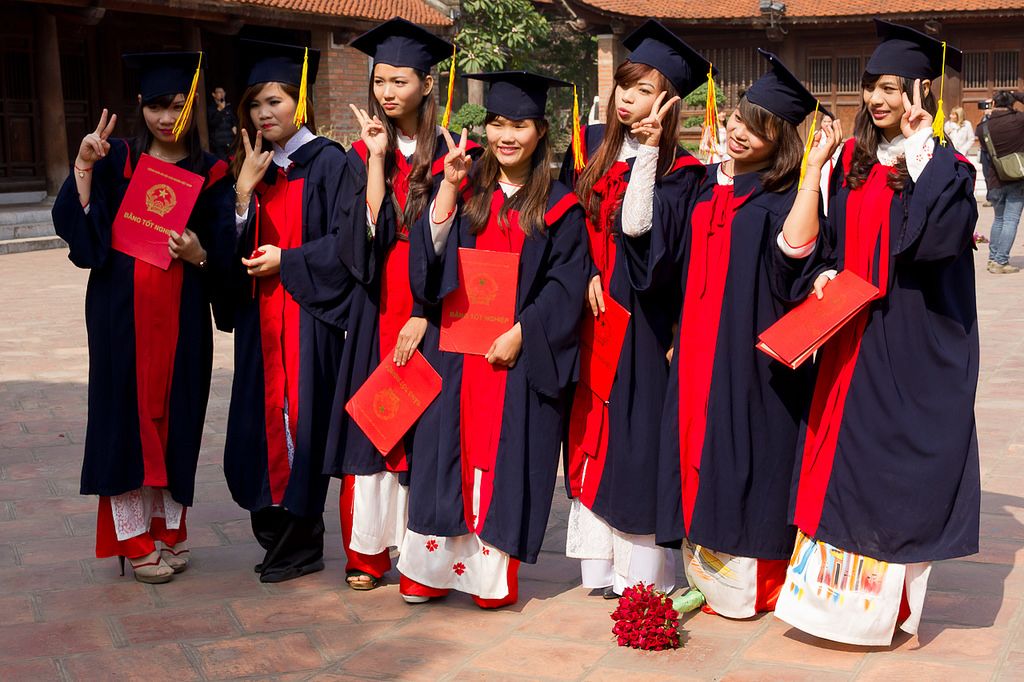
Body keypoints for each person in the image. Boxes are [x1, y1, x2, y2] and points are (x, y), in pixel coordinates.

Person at [775, 20, 980, 646]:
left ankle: (887, 610)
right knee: (847, 459)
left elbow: (937, 241)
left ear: (922, 92)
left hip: (914, 338)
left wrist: (923, 149)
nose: (880, 100)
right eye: (872, 87)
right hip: (852, 336)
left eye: (894, 88)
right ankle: (831, 610)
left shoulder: (949, 166)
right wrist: (825, 272)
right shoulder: (850, 164)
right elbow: (823, 247)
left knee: (898, 468)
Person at [632, 49, 838, 619]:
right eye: (737, 120)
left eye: (759, 127)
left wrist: (812, 173)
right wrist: (651, 149)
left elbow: (795, 254)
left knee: (747, 453)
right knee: (695, 448)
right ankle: (703, 577)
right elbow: (644, 234)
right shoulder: (700, 185)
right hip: (696, 345)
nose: (741, 132)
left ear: (780, 140)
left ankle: (752, 585)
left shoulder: (781, 196)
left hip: (751, 355)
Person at [398, 71, 589, 608]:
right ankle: (429, 571)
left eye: (519, 126)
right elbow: (429, 263)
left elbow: (564, 284)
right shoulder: (465, 186)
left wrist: (523, 333)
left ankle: (488, 577)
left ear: (541, 131)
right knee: (443, 455)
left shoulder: (558, 206)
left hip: (515, 358)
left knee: (504, 457)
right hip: (455, 351)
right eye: (498, 124)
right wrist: (451, 188)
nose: (506, 136)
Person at [51, 52, 235, 584]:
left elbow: (222, 254)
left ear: (193, 105)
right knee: (127, 421)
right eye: (157, 106)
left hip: (182, 317)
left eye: (178, 106)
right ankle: (133, 538)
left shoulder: (212, 173)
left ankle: (169, 531)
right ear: (141, 106)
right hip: (119, 314)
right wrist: (84, 165)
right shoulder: (117, 159)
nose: (166, 117)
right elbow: (83, 240)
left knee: (177, 416)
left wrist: (199, 253)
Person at [325, 18, 478, 592]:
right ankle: (366, 555)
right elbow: (359, 242)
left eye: (400, 81)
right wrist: (373, 160)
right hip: (376, 305)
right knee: (374, 421)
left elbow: (466, 240)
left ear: (428, 83)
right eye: (381, 81)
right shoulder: (361, 152)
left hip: (434, 307)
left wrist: (425, 307)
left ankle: (422, 563)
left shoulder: (458, 153)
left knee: (427, 431)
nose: (388, 93)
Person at [558, 20, 708, 599]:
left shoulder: (683, 171)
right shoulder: (593, 149)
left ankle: (640, 573)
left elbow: (646, 239)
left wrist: (648, 153)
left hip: (644, 322)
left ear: (668, 101)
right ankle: (600, 566)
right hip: (593, 313)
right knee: (592, 428)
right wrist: (586, 272)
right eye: (626, 85)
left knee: (636, 436)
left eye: (644, 90)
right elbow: (574, 228)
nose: (627, 98)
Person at [224, 40, 351, 583]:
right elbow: (225, 253)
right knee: (259, 425)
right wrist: (243, 196)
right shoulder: (250, 167)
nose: (265, 113)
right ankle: (272, 534)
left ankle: (302, 542)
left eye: (275, 100)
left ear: (299, 102)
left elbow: (347, 244)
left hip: (307, 320)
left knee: (305, 423)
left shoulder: (329, 162)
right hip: (259, 324)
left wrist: (289, 260)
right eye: (255, 104)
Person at [977, 90, 1024, 274]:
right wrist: (1017, 94)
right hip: (1017, 178)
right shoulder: (1019, 121)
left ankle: (992, 258)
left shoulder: (983, 127)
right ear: (1012, 104)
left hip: (994, 178)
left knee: (999, 219)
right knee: (1011, 220)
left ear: (993, 104)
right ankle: (1000, 261)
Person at [208, 86, 237, 160]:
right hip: (218, 143)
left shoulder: (229, 106)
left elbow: (234, 120)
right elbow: (212, 123)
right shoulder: (211, 108)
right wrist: (220, 110)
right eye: (219, 92)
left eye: (223, 92)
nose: (221, 94)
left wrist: (235, 127)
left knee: (233, 162)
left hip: (230, 141)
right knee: (222, 164)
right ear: (213, 94)